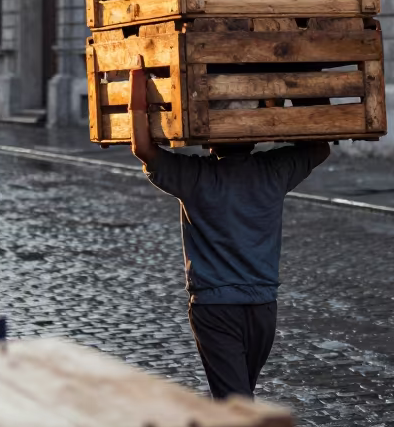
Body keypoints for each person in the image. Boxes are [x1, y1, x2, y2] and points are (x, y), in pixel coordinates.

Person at [127, 57, 331, 400]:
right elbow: (320, 145)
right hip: (263, 307)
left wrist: (137, 80)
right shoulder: (273, 171)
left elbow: (143, 148)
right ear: (255, 134)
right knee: (239, 399)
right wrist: (298, 73)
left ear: (208, 136)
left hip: (215, 310)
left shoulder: (195, 177)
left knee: (235, 403)